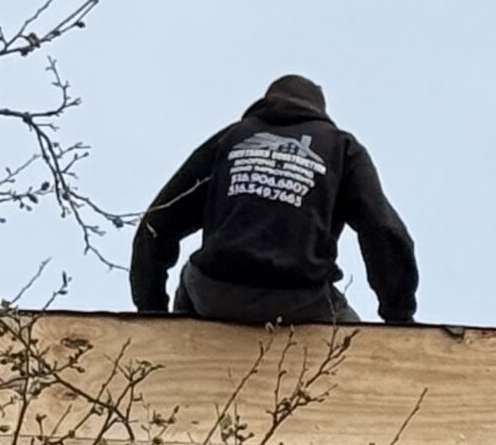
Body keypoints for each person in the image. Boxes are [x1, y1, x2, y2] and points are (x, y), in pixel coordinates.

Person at [130, 76, 418, 326]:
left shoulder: (230, 140)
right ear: (320, 111)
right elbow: (383, 229)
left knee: (188, 290)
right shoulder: (341, 148)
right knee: (353, 351)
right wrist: (398, 315)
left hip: (216, 291)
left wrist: (152, 313)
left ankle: (176, 361)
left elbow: (157, 223)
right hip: (302, 300)